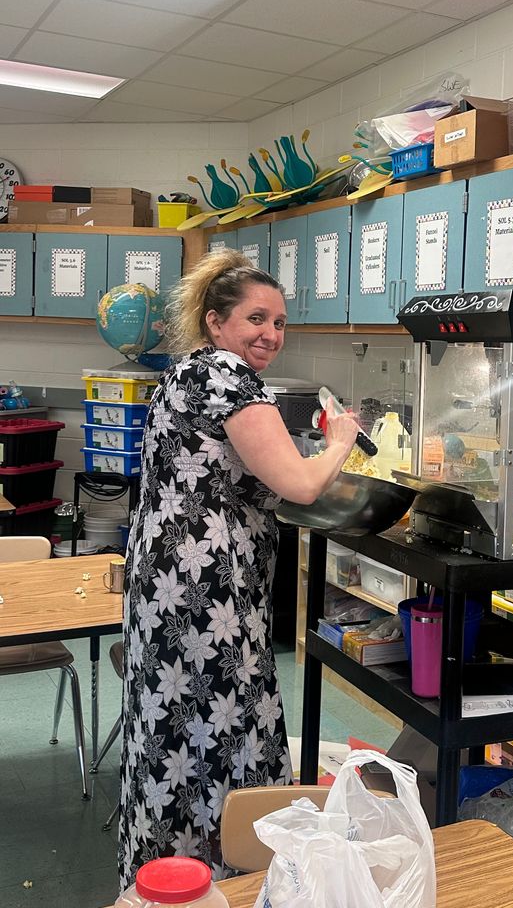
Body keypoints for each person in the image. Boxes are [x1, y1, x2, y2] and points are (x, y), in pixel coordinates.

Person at [117, 249, 360, 888]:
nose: (270, 336)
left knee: (176, 723)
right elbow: (298, 484)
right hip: (206, 591)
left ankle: (169, 869)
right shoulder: (226, 373)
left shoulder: (186, 373)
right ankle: (231, 871)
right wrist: (340, 440)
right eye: (257, 318)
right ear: (217, 321)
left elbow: (239, 475)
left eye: (280, 323)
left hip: (168, 580)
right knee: (223, 720)